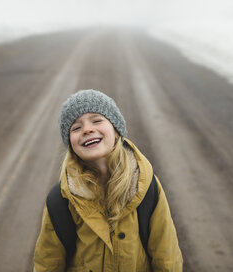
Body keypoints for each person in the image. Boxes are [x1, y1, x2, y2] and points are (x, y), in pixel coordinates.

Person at [33, 89, 182, 271]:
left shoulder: (145, 185)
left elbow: (167, 254)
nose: (87, 129)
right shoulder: (61, 199)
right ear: (70, 144)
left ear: (116, 130)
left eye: (97, 120)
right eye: (76, 128)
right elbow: (47, 262)